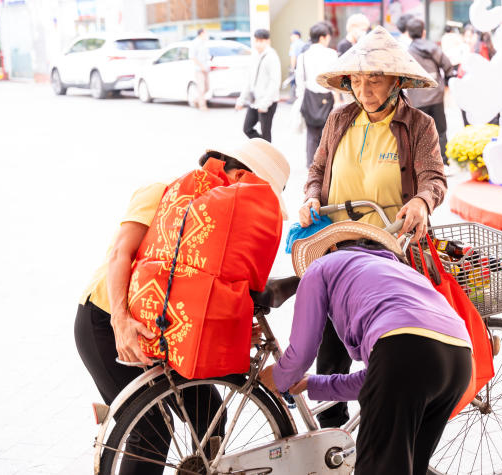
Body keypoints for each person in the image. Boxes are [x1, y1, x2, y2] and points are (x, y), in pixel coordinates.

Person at [75, 138, 290, 473]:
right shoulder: (162, 193)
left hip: (164, 328)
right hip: (106, 317)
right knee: (151, 431)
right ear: (233, 174)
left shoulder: (220, 218)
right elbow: (121, 253)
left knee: (210, 421)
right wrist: (120, 320)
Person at [297, 26, 448, 429]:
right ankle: (332, 437)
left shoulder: (418, 126)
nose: (364, 89)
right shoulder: (339, 119)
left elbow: (434, 178)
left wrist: (421, 200)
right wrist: (311, 196)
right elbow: (315, 170)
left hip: (388, 252)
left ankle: (384, 425)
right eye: (358, 80)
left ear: (397, 81)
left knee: (384, 348)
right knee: (330, 353)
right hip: (335, 249)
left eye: (375, 79)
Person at [259, 221, 472, 474]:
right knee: (412, 466)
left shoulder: (322, 267)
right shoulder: (402, 272)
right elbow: (383, 381)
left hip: (403, 348)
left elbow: (303, 351)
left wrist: (280, 380)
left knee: (377, 467)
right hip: (460, 356)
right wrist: (311, 384)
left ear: (333, 247)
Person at [406, 18, 454, 171]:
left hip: (417, 99)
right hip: (436, 96)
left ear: (409, 34)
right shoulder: (433, 47)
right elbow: (447, 66)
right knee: (440, 130)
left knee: (419, 133)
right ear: (423, 31)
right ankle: (444, 164)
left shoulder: (407, 52)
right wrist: (445, 83)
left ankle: (422, 166)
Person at [297, 22, 341, 168]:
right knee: (328, 134)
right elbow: (335, 80)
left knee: (311, 134)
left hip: (309, 97)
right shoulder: (332, 54)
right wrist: (338, 100)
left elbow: (300, 81)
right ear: (323, 38)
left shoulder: (302, 56)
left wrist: (300, 100)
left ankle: (311, 165)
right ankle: (326, 166)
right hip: (327, 98)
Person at [236, 29, 281, 142]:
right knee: (247, 128)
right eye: (256, 41)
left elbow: (274, 82)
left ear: (267, 41)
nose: (258, 44)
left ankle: (267, 155)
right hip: (255, 101)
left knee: (266, 132)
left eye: (261, 41)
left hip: (268, 102)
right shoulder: (255, 56)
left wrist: (265, 103)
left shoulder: (272, 57)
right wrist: (241, 100)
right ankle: (264, 148)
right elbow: (249, 81)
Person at [189, 28, 211, 110]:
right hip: (199, 69)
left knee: (207, 87)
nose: (207, 35)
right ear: (201, 33)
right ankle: (202, 106)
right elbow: (192, 57)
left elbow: (206, 56)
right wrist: (201, 66)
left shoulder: (204, 43)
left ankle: (196, 100)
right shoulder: (195, 43)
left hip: (206, 68)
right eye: (206, 33)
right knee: (201, 88)